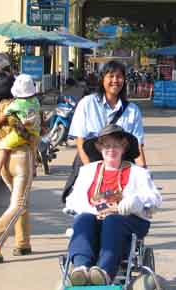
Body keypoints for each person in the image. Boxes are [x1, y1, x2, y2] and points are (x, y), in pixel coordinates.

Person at [65, 124, 161, 286]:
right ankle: (81, 268)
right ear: (99, 147)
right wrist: (96, 210)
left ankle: (104, 272)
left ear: (124, 147)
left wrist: (135, 202)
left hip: (128, 220)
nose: (111, 149)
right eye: (107, 145)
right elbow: (72, 201)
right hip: (95, 217)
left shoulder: (137, 172)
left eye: (116, 145)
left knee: (112, 221)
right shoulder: (87, 171)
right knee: (83, 219)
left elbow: (155, 199)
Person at [62, 60, 146, 202]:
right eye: (110, 76)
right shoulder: (87, 104)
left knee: (117, 212)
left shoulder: (133, 110)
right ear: (102, 79)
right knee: (87, 212)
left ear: (124, 80)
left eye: (119, 76)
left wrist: (144, 173)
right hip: (90, 163)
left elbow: (137, 146)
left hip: (120, 170)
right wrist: (91, 174)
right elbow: (80, 142)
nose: (115, 80)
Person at [0, 75, 41, 262]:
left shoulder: (2, 109)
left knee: (21, 200)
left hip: (4, 158)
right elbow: (34, 134)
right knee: (19, 203)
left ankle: (23, 243)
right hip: (22, 157)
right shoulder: (31, 105)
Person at [0, 74, 41, 182]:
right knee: (33, 150)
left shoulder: (14, 104)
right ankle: (33, 169)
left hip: (21, 135)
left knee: (2, 146)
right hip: (35, 133)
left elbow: (1, 118)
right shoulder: (35, 101)